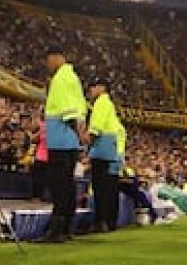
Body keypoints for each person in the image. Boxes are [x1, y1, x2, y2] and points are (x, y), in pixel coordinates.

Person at [34, 42, 87, 243]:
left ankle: (56, 231)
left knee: (59, 186)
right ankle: (65, 228)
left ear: (56, 57)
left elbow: (69, 113)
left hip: (61, 141)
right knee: (67, 185)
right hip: (68, 142)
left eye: (48, 60)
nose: (47, 65)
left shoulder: (61, 79)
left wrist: (78, 134)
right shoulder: (72, 77)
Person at [86, 76, 123, 233]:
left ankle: (100, 222)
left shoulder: (101, 103)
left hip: (102, 151)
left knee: (101, 189)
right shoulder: (109, 105)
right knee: (110, 189)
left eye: (93, 87)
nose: (90, 91)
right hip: (112, 152)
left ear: (101, 88)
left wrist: (85, 145)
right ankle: (110, 221)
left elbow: (96, 129)